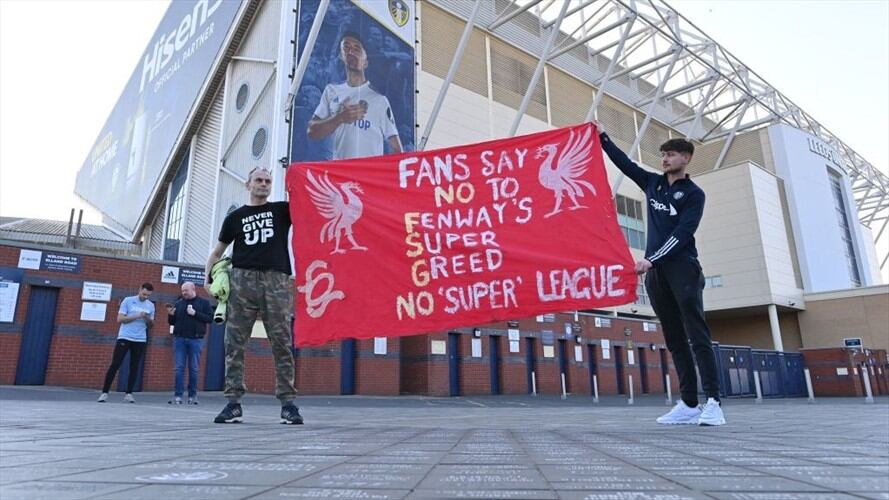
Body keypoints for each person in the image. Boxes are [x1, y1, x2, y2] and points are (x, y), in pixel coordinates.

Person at [594, 121, 726, 426]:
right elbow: (624, 163)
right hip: (657, 274)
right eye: (663, 154)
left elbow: (683, 233)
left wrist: (651, 258)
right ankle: (689, 404)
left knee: (697, 335)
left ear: (686, 159)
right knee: (675, 338)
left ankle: (714, 402)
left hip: (684, 269)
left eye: (672, 154)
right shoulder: (652, 183)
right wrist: (602, 135)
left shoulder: (694, 195)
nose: (665, 159)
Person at [205, 167, 303, 425]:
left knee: (281, 340)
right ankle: (233, 403)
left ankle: (288, 404)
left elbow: (311, 204)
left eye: (268, 181)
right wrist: (208, 280)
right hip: (242, 280)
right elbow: (216, 253)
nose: (263, 184)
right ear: (248, 184)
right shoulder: (235, 217)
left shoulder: (282, 210)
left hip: (277, 280)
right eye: (258, 180)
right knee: (234, 342)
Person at [308, 31, 402, 160]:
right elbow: (312, 132)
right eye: (346, 47)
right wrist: (340, 118)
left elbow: (396, 149)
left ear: (366, 62)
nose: (351, 51)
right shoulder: (331, 91)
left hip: (367, 177)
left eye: (357, 48)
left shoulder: (379, 100)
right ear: (341, 56)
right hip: (339, 176)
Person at [97, 283, 155, 403]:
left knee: (134, 366)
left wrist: (147, 318)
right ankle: (104, 392)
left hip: (140, 339)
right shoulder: (128, 301)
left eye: (148, 295)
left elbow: (151, 325)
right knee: (116, 364)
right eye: (144, 294)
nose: (145, 297)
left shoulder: (150, 306)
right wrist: (137, 316)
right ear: (139, 290)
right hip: (125, 337)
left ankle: (129, 393)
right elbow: (120, 319)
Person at [165, 281, 212, 405]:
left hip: (196, 339)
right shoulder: (179, 303)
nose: (184, 293)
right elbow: (172, 322)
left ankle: (192, 396)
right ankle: (178, 396)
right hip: (179, 339)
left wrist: (195, 313)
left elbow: (210, 318)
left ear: (193, 289)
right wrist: (170, 315)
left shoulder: (204, 303)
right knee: (179, 368)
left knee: (194, 368)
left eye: (186, 290)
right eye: (182, 291)